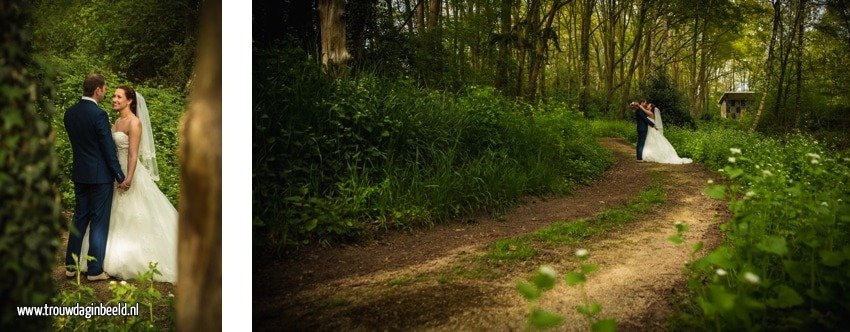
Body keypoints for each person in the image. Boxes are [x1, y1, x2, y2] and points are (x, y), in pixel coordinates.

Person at [78, 86, 178, 283]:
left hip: (128, 172)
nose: (114, 99)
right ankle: (101, 260)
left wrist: (129, 177)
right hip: (111, 174)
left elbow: (133, 153)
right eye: (113, 95)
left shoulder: (135, 123)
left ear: (129, 100)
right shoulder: (116, 121)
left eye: (118, 96)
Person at [64, 74, 126, 281]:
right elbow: (108, 149)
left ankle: (71, 267)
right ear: (98, 90)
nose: (106, 93)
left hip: (80, 173)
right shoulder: (98, 115)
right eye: (105, 89)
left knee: (80, 217)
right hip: (100, 176)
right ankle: (94, 270)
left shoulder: (70, 113)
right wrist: (119, 174)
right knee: (99, 221)